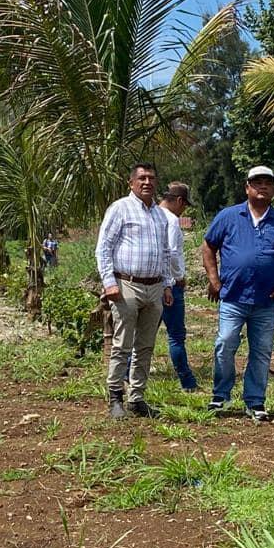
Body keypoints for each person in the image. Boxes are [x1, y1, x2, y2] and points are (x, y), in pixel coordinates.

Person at [201, 166, 274, 422]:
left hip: (266, 301)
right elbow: (208, 245)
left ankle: (255, 401)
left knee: (261, 350)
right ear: (247, 188)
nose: (262, 187)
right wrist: (214, 280)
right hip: (233, 297)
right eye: (257, 182)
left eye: (267, 182)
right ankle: (220, 395)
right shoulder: (228, 216)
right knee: (225, 343)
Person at [96, 163, 174, 419]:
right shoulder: (120, 208)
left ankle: (137, 398)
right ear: (131, 183)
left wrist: (167, 284)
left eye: (151, 178)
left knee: (146, 346)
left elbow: (165, 253)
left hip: (154, 287)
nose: (147, 182)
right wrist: (109, 282)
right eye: (142, 178)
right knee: (122, 344)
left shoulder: (161, 215)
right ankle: (115, 397)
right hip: (126, 285)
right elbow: (104, 247)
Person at [158, 182, 199, 392]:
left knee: (143, 335)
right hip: (171, 286)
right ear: (180, 201)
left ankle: (127, 375)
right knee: (176, 336)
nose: (183, 211)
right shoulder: (172, 220)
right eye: (184, 206)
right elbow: (172, 253)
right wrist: (179, 277)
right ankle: (187, 381)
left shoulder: (151, 215)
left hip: (151, 283)